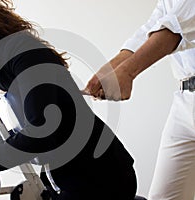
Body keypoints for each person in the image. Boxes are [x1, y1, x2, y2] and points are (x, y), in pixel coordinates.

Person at [0, 0, 137, 199]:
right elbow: (22, 133)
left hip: (102, 180)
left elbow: (38, 134)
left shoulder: (27, 55)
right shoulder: (6, 67)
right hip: (68, 181)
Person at [83, 0, 195, 199]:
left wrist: (127, 72)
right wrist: (111, 69)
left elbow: (175, 29)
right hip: (184, 100)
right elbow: (152, 27)